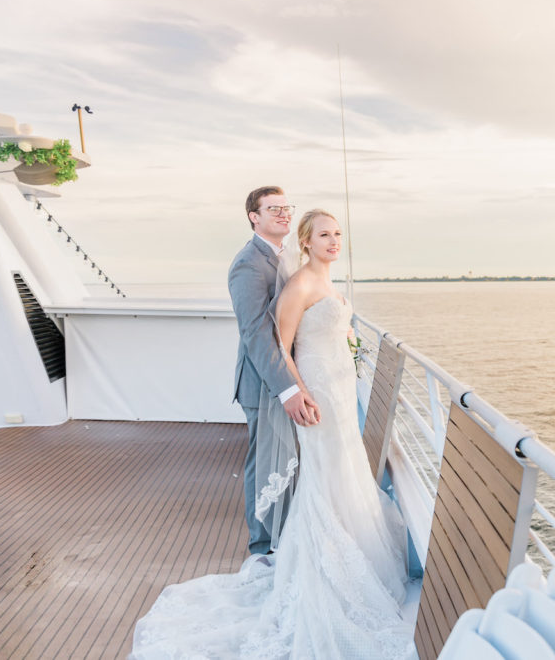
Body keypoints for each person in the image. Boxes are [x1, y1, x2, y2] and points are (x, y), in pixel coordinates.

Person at [131, 210, 413, 659]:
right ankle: (320, 569)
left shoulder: (327, 282)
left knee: (346, 469)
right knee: (325, 474)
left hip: (340, 386)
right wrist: (298, 391)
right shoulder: (299, 284)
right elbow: (281, 345)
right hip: (317, 390)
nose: (334, 241)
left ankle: (355, 556)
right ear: (307, 241)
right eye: (325, 234)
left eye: (338, 234)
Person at [227, 186, 321, 558]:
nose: (283, 214)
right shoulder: (248, 263)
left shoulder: (286, 259)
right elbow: (255, 333)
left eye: (286, 208)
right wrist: (288, 389)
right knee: (264, 463)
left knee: (286, 462)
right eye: (273, 209)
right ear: (254, 216)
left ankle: (283, 538)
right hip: (264, 384)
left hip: (289, 378)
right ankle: (261, 548)